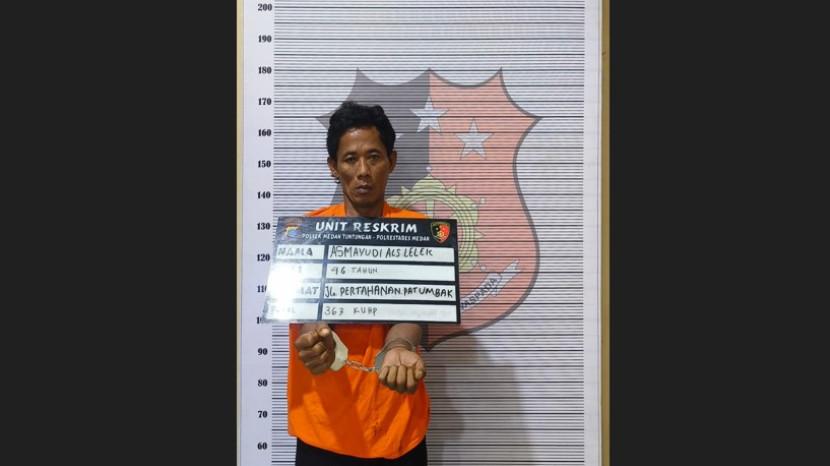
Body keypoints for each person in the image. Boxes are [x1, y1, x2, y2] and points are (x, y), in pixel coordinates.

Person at [288, 101, 430, 465]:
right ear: (333, 167)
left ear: (391, 161)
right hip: (324, 430)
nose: (363, 171)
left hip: (399, 429)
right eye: (350, 159)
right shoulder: (305, 234)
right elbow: (307, 312)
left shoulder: (420, 232)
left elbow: (416, 309)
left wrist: (399, 343)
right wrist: (316, 337)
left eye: (374, 157)